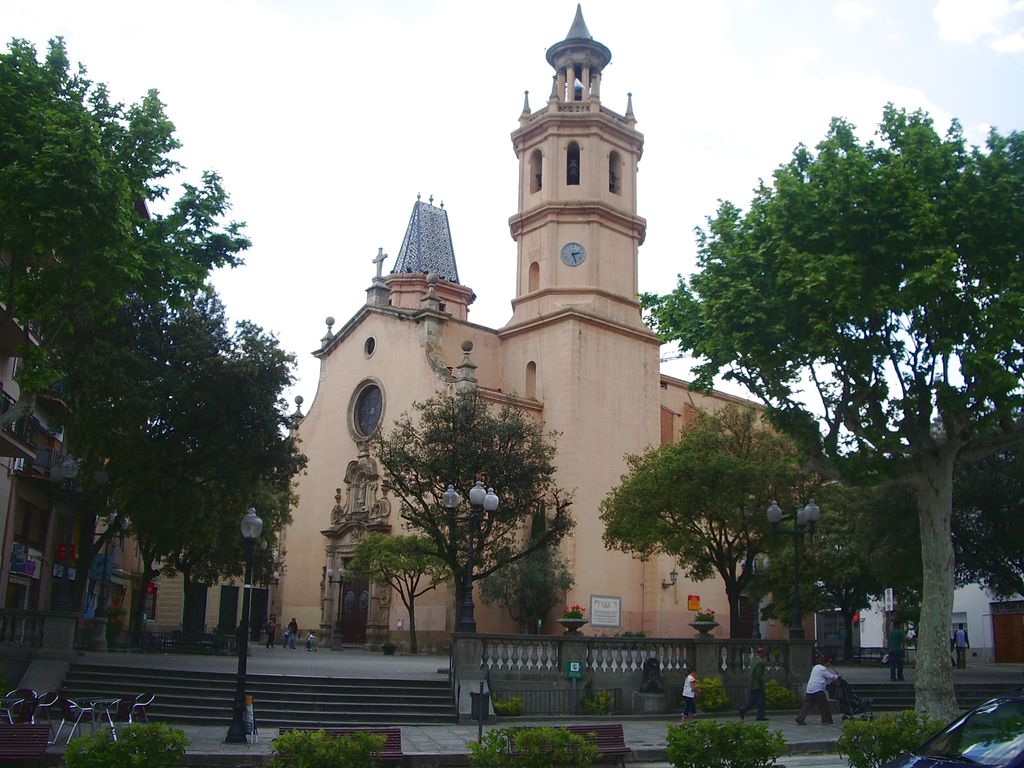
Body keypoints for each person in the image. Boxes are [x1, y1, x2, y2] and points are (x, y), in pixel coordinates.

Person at [795, 654, 839, 725]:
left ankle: (800, 718)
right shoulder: (823, 669)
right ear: (826, 663)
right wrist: (837, 676)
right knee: (824, 706)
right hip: (818, 690)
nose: (829, 664)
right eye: (828, 662)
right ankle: (826, 720)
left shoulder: (815, 667)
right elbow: (830, 676)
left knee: (807, 706)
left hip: (809, 690)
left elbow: (825, 679)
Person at [738, 647, 768, 721]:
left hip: (752, 684)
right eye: (764, 653)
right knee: (761, 701)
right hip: (758, 685)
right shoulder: (760, 662)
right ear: (761, 653)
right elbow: (758, 674)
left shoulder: (753, 660)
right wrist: (762, 681)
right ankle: (760, 716)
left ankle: (743, 709)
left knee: (752, 700)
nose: (765, 655)